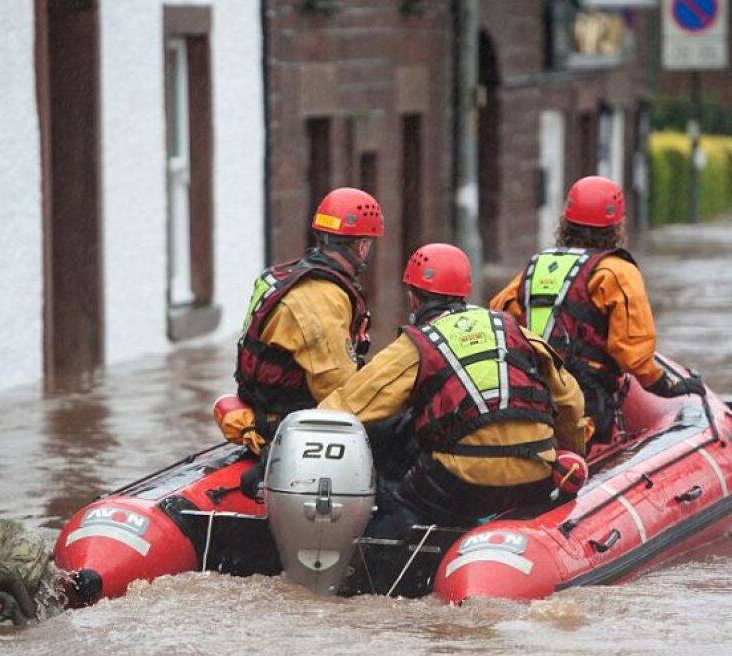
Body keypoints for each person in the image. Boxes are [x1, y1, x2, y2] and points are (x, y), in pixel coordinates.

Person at [318, 243, 588, 594]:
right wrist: (572, 451)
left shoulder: (417, 344)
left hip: (462, 482)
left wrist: (282, 443)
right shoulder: (513, 329)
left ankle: (376, 588)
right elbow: (571, 399)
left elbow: (348, 407)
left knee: (391, 509)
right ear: (466, 291)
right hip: (534, 472)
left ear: (414, 298)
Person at [489, 176, 702, 444]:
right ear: (617, 226)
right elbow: (633, 353)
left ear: (565, 222)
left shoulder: (538, 264)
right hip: (587, 397)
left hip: (533, 388)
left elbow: (499, 315)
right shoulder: (617, 272)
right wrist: (669, 385)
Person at [220, 187, 384, 494]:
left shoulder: (283, 275)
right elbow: (339, 394)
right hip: (288, 419)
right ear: (362, 246)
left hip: (267, 404)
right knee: (395, 432)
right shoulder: (319, 297)